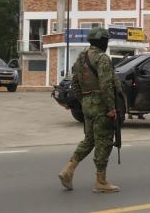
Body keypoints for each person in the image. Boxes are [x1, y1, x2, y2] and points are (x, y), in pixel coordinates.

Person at [58, 27, 119, 193]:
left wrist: (84, 100)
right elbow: (106, 85)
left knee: (89, 140)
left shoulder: (81, 58)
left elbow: (75, 84)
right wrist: (111, 108)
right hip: (101, 105)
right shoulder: (102, 58)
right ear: (103, 41)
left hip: (87, 104)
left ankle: (68, 170)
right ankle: (101, 181)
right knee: (104, 141)